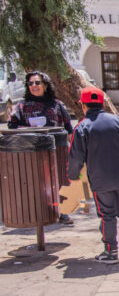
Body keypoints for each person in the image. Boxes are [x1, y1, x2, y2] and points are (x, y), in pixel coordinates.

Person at [67, 87, 119, 263]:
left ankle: (111, 251)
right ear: (102, 103)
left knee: (107, 214)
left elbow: (76, 156)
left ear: (83, 106)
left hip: (100, 179)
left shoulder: (83, 126)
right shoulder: (118, 121)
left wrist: (73, 175)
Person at [9, 71, 74, 225]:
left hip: (57, 148)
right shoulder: (22, 105)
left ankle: (62, 212)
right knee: (36, 182)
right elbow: (12, 125)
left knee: (58, 181)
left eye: (37, 83)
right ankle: (37, 212)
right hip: (31, 151)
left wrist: (73, 148)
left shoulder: (56, 104)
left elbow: (68, 126)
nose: (34, 86)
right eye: (30, 83)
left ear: (45, 85)